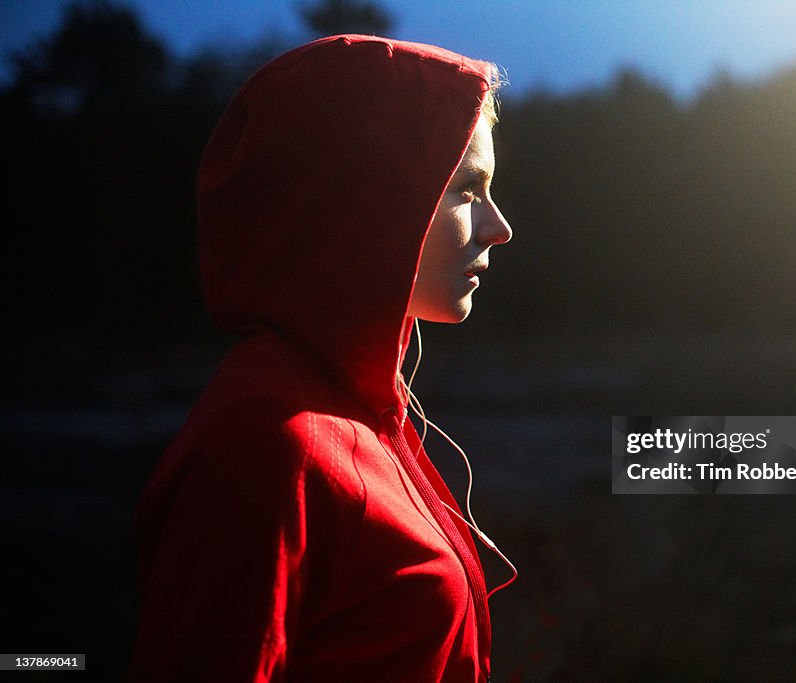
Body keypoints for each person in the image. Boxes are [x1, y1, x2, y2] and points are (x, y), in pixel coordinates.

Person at [129, 35, 513, 682]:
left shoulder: (355, 409)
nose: (499, 226)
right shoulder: (270, 441)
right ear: (365, 193)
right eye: (468, 189)